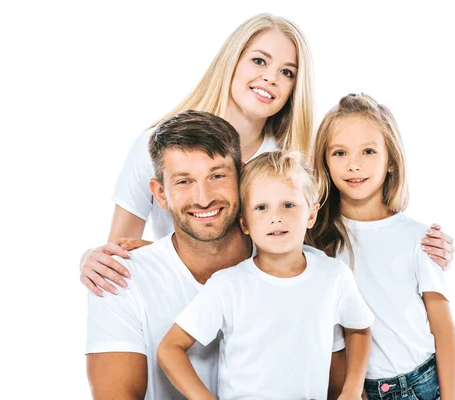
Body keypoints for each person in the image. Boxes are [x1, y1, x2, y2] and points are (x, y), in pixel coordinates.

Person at [79, 13, 455, 297]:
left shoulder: (292, 160)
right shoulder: (155, 146)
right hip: (180, 307)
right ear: (233, 61)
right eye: (259, 61)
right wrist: (90, 259)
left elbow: (347, 230)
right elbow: (119, 254)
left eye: (287, 72)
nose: (271, 78)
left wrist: (421, 248)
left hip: (265, 317)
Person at [86, 110, 348, 399]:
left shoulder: (300, 268)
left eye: (218, 175)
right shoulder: (118, 278)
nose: (204, 197)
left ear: (242, 177)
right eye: (184, 181)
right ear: (160, 193)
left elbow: (337, 384)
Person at [158, 151, 374, 399]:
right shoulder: (228, 285)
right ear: (244, 224)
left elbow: (359, 328)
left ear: (311, 214)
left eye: (289, 205)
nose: (276, 217)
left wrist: (352, 391)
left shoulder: (334, 276)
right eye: (261, 208)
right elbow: (169, 348)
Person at [307, 93, 455, 400]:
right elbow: (331, 334)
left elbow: (443, 330)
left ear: (390, 161)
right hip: (358, 390)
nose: (354, 165)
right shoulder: (317, 243)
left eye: (368, 151)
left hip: (421, 384)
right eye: (339, 153)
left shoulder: (419, 238)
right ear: (324, 160)